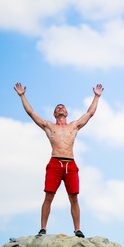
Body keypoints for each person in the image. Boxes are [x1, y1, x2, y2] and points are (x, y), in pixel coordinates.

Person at [14, 82, 104, 238]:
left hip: (70, 164)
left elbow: (90, 113)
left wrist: (96, 96)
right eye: (57, 108)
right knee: (49, 196)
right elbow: (31, 112)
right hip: (55, 163)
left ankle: (77, 230)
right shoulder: (49, 126)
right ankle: (43, 228)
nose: (60, 108)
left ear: (67, 113)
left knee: (74, 197)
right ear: (55, 114)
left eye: (63, 107)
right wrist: (22, 96)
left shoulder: (74, 126)